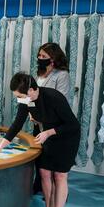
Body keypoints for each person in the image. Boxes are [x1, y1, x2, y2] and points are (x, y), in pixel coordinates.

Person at [0, 72, 80, 207]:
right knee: (44, 173)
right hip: (47, 136)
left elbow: (73, 125)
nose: (19, 99)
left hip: (66, 138)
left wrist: (49, 132)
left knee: (60, 176)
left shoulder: (54, 97)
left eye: (20, 95)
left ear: (31, 90)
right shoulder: (26, 101)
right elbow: (17, 124)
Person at [33, 43, 71, 195]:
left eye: (43, 56)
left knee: (55, 165)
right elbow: (34, 95)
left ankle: (57, 195)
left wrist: (41, 113)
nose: (40, 58)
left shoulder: (62, 75)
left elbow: (61, 100)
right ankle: (40, 187)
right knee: (40, 159)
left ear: (53, 58)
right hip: (38, 122)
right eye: (39, 55)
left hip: (53, 124)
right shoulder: (40, 74)